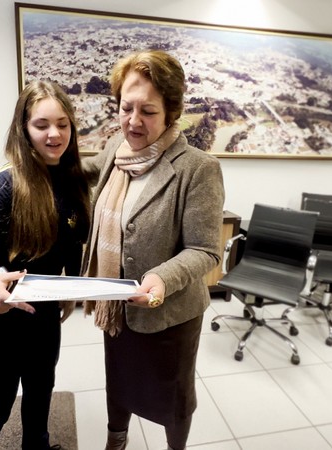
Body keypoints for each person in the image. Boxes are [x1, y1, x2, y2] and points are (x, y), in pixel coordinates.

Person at [81, 50, 225, 450]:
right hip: (118, 305)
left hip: (168, 314)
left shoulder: (198, 168)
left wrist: (162, 277)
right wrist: (42, 153)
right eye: (126, 108)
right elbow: (82, 170)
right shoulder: (117, 148)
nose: (133, 121)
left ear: (171, 113)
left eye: (147, 111)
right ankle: (117, 437)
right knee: (118, 382)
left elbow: (205, 250)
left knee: (172, 399)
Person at [0, 80, 90, 450]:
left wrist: (71, 289)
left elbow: (73, 241)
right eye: (41, 125)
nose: (54, 134)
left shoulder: (74, 182)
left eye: (62, 124)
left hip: (41, 308)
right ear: (23, 129)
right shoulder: (6, 183)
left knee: (40, 389)